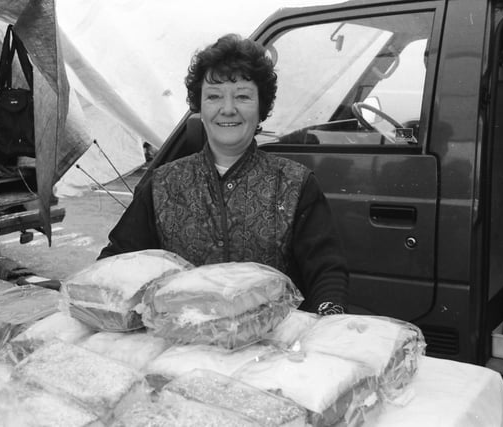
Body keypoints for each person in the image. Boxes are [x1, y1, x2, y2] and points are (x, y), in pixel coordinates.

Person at [98, 34, 348, 315]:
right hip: (178, 345)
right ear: (200, 106)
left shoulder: (294, 184)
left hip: (272, 347)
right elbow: (117, 261)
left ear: (261, 107)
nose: (228, 109)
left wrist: (328, 316)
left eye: (242, 96)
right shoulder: (163, 184)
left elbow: (327, 272)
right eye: (214, 96)